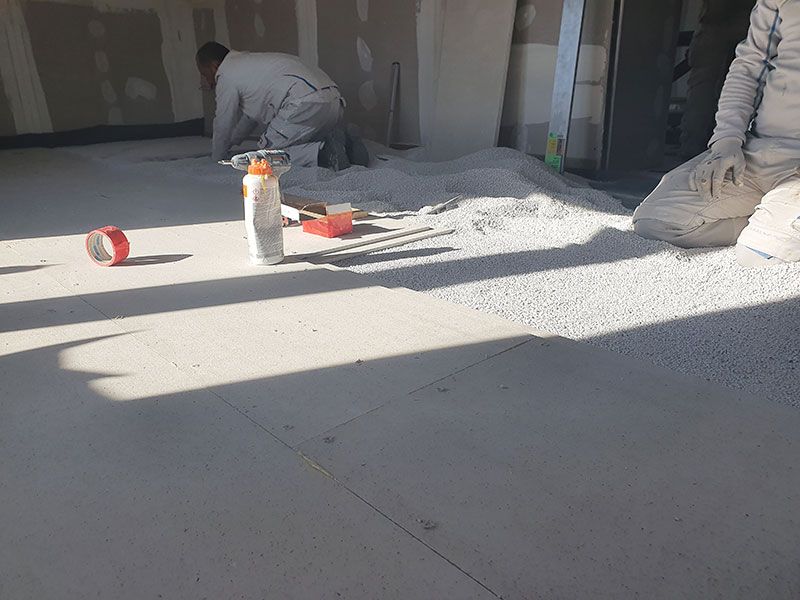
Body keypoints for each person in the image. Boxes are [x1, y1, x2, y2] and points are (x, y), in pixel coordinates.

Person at [634, 0, 800, 267]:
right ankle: (766, 223)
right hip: (758, 151)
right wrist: (727, 141)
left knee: (760, 256)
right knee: (654, 222)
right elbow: (749, 66)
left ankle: (771, 230)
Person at [196, 41, 368, 170]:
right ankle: (348, 146)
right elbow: (250, 118)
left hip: (304, 103)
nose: (206, 79)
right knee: (302, 140)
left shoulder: (226, 75)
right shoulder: (247, 65)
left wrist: (217, 158)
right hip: (333, 101)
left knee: (268, 154)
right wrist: (232, 141)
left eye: (204, 74)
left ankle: (324, 154)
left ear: (214, 66)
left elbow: (223, 121)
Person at [679, 0, 754, 159]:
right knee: (745, 83)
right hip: (747, 24)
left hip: (716, 23)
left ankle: (693, 152)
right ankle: (721, 154)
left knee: (702, 88)